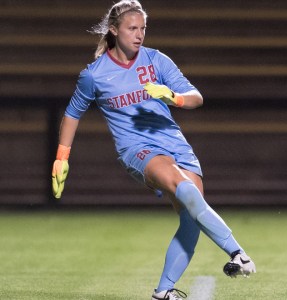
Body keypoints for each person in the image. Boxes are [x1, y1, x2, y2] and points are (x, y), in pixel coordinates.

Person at [49, 1, 256, 299]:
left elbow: (196, 97)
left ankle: (163, 292)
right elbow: (72, 113)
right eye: (132, 28)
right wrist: (61, 157)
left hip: (175, 143)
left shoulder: (156, 60)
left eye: (143, 28)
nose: (139, 34)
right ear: (114, 30)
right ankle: (239, 253)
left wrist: (174, 98)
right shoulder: (94, 75)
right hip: (137, 150)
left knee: (191, 217)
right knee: (182, 187)